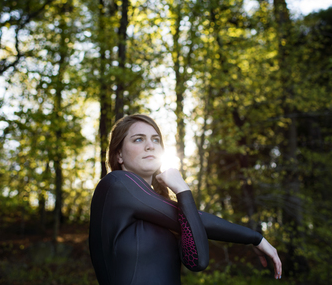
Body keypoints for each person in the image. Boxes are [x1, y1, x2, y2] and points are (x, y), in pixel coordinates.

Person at [89, 114, 282, 285]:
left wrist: (181, 192)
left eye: (156, 140)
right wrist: (254, 237)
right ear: (119, 154)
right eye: (138, 139)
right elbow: (199, 218)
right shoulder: (115, 184)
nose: (150, 145)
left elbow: (197, 261)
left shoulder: (160, 208)